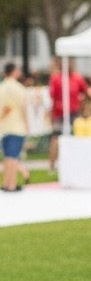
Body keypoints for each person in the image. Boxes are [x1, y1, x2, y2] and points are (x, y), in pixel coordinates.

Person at [48, 59, 88, 167]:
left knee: (74, 136)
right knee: (56, 138)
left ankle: (72, 162)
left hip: (73, 111)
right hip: (60, 112)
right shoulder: (57, 78)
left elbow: (85, 92)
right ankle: (53, 164)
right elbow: (52, 95)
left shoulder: (76, 78)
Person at [0, 61, 29, 192]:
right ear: (14, 71)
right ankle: (12, 184)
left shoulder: (2, 87)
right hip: (17, 126)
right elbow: (23, 109)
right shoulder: (19, 88)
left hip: (4, 127)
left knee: (7, 156)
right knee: (13, 156)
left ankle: (6, 182)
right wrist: (27, 126)